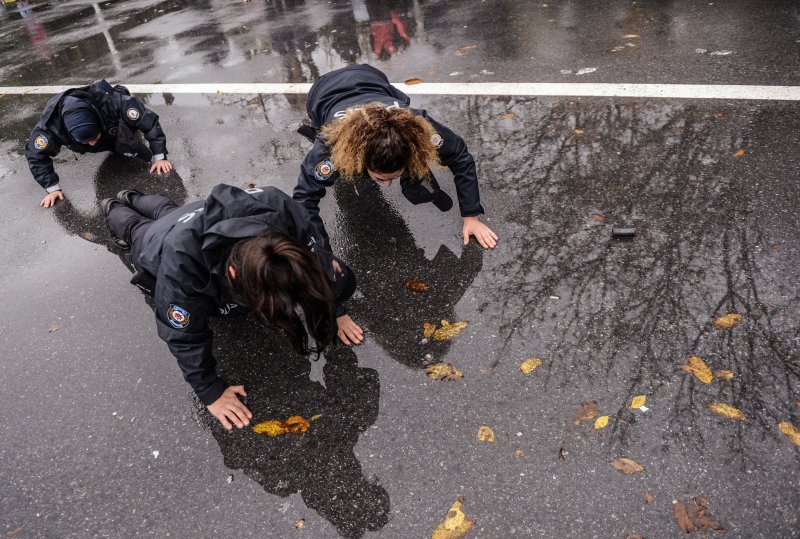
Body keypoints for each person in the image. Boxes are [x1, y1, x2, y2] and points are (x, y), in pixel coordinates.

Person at [101, 184, 356, 430]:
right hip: (156, 241)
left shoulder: (282, 210)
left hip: (195, 216)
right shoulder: (182, 264)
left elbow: (321, 265)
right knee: (137, 228)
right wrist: (211, 391)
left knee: (168, 211)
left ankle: (132, 196)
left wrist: (336, 309)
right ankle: (114, 204)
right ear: (232, 273)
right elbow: (183, 336)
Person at [293, 63, 498, 344]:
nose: (386, 185)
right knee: (344, 186)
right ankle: (378, 172)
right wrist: (334, 302)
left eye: (394, 176)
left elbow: (460, 156)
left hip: (372, 78)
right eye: (380, 177)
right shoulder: (329, 147)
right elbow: (303, 208)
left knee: (412, 180)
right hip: (323, 94)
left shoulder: (416, 125)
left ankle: (408, 176)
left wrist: (471, 216)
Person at [25, 79, 173, 209]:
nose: (92, 144)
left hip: (111, 127)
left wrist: (160, 157)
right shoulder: (51, 127)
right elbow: (35, 155)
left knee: (128, 144)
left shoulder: (113, 102)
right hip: (91, 130)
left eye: (94, 137)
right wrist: (53, 189)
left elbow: (149, 122)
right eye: (86, 141)